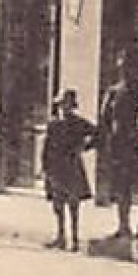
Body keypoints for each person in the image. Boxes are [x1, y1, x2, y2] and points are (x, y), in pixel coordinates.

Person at [97, 47, 138, 240]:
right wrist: (103, 144)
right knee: (122, 188)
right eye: (123, 67)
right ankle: (123, 225)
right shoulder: (113, 92)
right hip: (119, 147)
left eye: (130, 67)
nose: (126, 71)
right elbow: (104, 120)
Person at [42, 89, 96, 252]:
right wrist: (45, 167)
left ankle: (74, 238)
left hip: (72, 165)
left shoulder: (79, 123)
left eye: (66, 105)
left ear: (72, 106)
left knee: (73, 204)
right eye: (61, 105)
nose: (63, 108)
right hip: (56, 166)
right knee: (58, 204)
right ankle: (60, 236)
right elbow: (46, 147)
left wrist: (84, 147)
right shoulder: (54, 124)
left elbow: (98, 134)